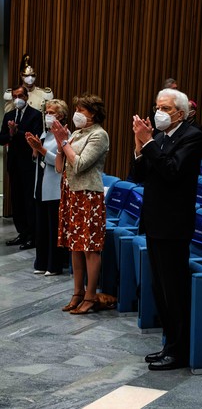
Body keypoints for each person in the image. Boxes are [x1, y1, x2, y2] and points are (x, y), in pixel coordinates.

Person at [132, 88, 202, 371]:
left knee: (174, 290)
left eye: (165, 107)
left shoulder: (193, 136)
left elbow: (172, 171)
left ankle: (179, 351)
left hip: (174, 225)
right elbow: (139, 175)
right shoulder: (161, 137)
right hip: (154, 221)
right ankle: (169, 345)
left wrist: (148, 140)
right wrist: (140, 144)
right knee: (159, 289)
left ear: (180, 111)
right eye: (156, 106)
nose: (159, 111)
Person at [52, 93, 109, 314]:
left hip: (89, 196)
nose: (76, 114)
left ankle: (91, 295)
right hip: (72, 193)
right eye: (75, 109)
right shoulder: (76, 133)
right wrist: (59, 144)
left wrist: (64, 142)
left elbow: (80, 164)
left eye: (81, 110)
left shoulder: (99, 135)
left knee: (90, 248)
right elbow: (60, 166)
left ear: (93, 114)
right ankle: (77, 292)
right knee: (75, 246)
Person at [25, 99, 70, 276]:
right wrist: (35, 150)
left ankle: (54, 265)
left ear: (61, 115)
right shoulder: (45, 135)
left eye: (52, 112)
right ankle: (41, 263)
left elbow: (61, 162)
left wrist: (42, 151)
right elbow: (38, 161)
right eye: (47, 112)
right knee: (41, 228)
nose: (48, 116)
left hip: (55, 188)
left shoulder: (66, 134)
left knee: (53, 229)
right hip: (40, 186)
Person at [0, 85, 43, 248]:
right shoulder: (9, 115)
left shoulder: (36, 115)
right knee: (16, 200)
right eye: (15, 96)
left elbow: (34, 137)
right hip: (14, 163)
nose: (17, 99)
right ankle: (22, 232)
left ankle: (32, 235)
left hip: (29, 163)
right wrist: (10, 134)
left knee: (28, 200)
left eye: (20, 96)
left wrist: (16, 132)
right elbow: (2, 137)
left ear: (26, 97)